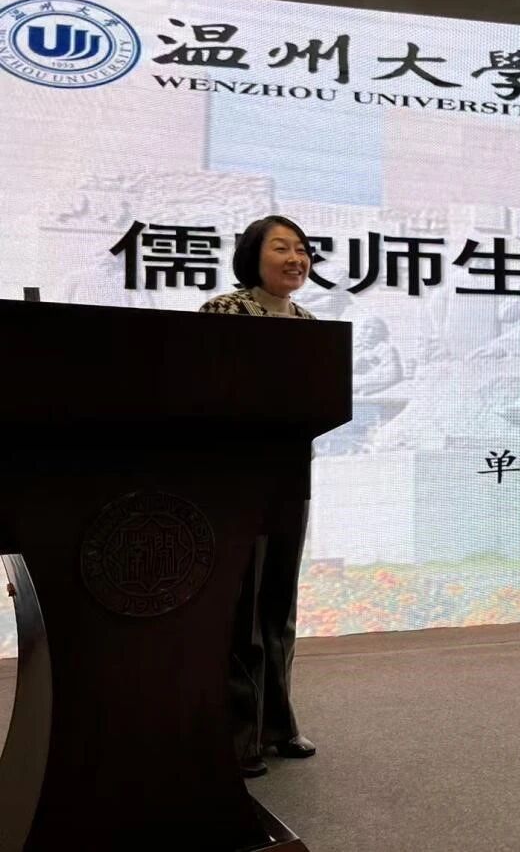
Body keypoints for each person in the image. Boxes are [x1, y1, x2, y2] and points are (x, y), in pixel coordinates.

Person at [199, 215, 318, 777]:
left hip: (290, 474)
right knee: (241, 604)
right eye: (281, 248)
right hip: (236, 475)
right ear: (253, 256)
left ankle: (278, 724)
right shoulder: (225, 311)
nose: (296, 258)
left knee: (279, 603)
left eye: (302, 249)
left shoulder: (309, 322)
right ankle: (239, 734)